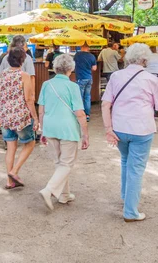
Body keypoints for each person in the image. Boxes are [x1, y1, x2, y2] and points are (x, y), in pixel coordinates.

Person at [101, 43, 158, 222]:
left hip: (119, 127)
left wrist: (108, 129)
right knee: (135, 168)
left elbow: (106, 104)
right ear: (145, 59)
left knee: (126, 161)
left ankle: (125, 196)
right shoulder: (151, 79)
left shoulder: (116, 76)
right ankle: (130, 211)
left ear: (128, 57)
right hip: (142, 129)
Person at [38, 54, 89, 210]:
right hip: (68, 128)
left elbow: (41, 109)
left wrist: (42, 129)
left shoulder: (46, 84)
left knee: (59, 163)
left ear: (55, 67)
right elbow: (79, 112)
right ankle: (49, 190)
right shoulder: (73, 86)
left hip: (50, 126)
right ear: (71, 69)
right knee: (66, 164)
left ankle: (64, 195)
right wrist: (85, 133)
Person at [0, 47, 39, 189]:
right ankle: (14, 172)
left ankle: (9, 182)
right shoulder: (24, 75)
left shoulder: (3, 74)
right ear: (22, 60)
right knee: (30, 143)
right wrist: (35, 117)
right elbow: (28, 98)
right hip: (20, 116)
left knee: (10, 147)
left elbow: (1, 95)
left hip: (5, 116)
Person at [73, 44, 97, 121]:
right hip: (89, 78)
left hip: (80, 78)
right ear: (88, 47)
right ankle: (87, 115)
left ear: (82, 47)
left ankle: (80, 114)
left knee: (79, 97)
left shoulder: (77, 55)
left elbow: (73, 64)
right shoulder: (92, 56)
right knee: (87, 97)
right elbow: (94, 68)